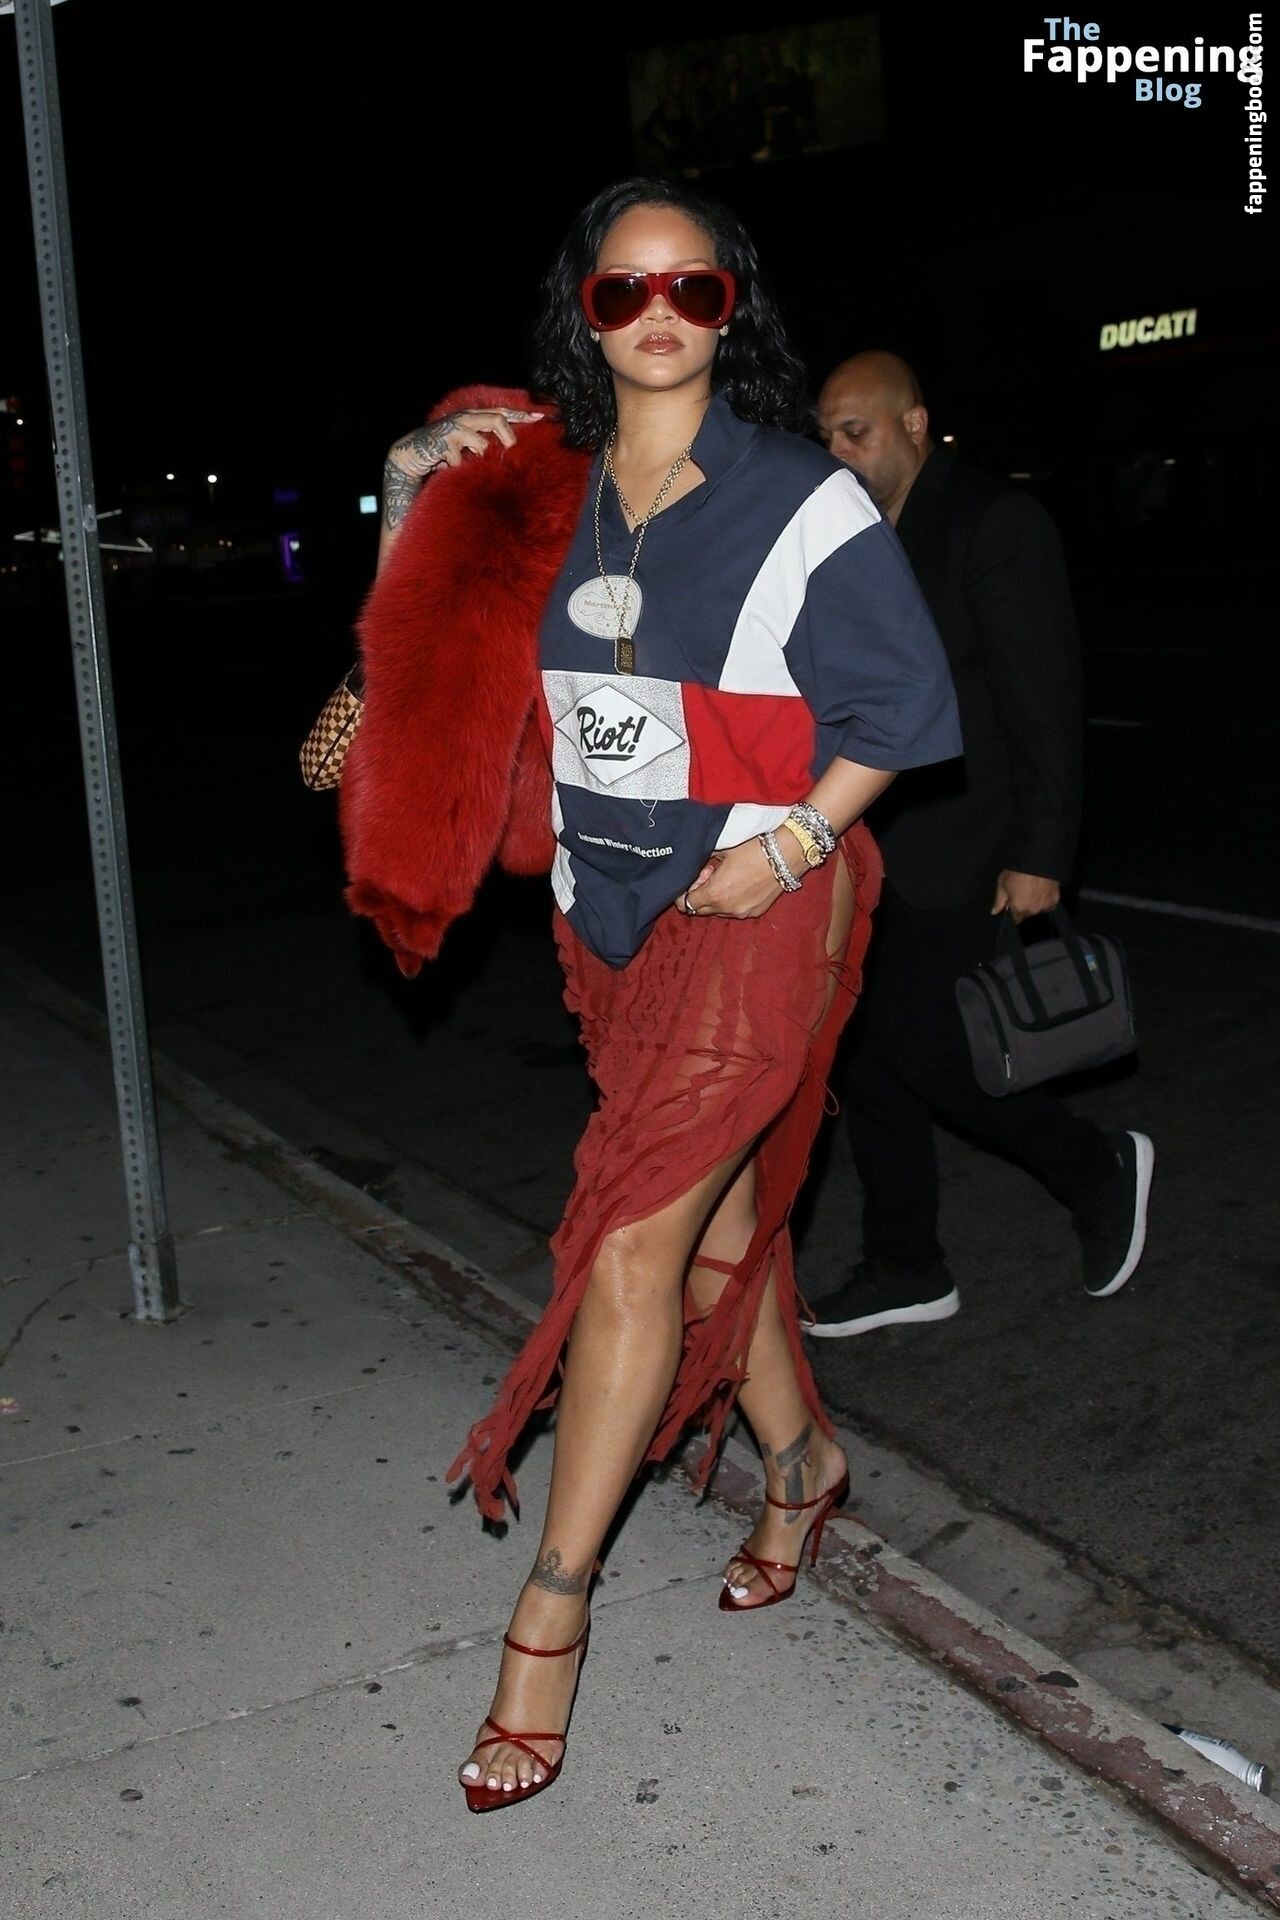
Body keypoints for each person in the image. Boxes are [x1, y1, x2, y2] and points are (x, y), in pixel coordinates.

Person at [339, 186, 960, 1813]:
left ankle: (548, 1624)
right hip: (604, 917)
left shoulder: (801, 496)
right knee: (711, 1239)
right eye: (626, 292)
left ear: (733, 303)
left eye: (694, 286)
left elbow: (906, 706)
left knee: (628, 1242)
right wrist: (409, 499)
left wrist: (797, 840)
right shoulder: (540, 488)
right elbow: (434, 662)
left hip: (761, 905)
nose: (661, 312)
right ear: (586, 313)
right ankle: (803, 1462)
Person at [806, 351, 1153, 1340]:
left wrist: (1041, 851)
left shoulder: (993, 522)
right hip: (870, 843)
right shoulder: (847, 535)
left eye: (855, 432)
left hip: (969, 841)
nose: (836, 451)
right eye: (825, 436)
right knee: (864, 1059)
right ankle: (904, 1264)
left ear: (914, 424)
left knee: (930, 1051)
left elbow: (1043, 699)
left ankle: (1094, 1164)